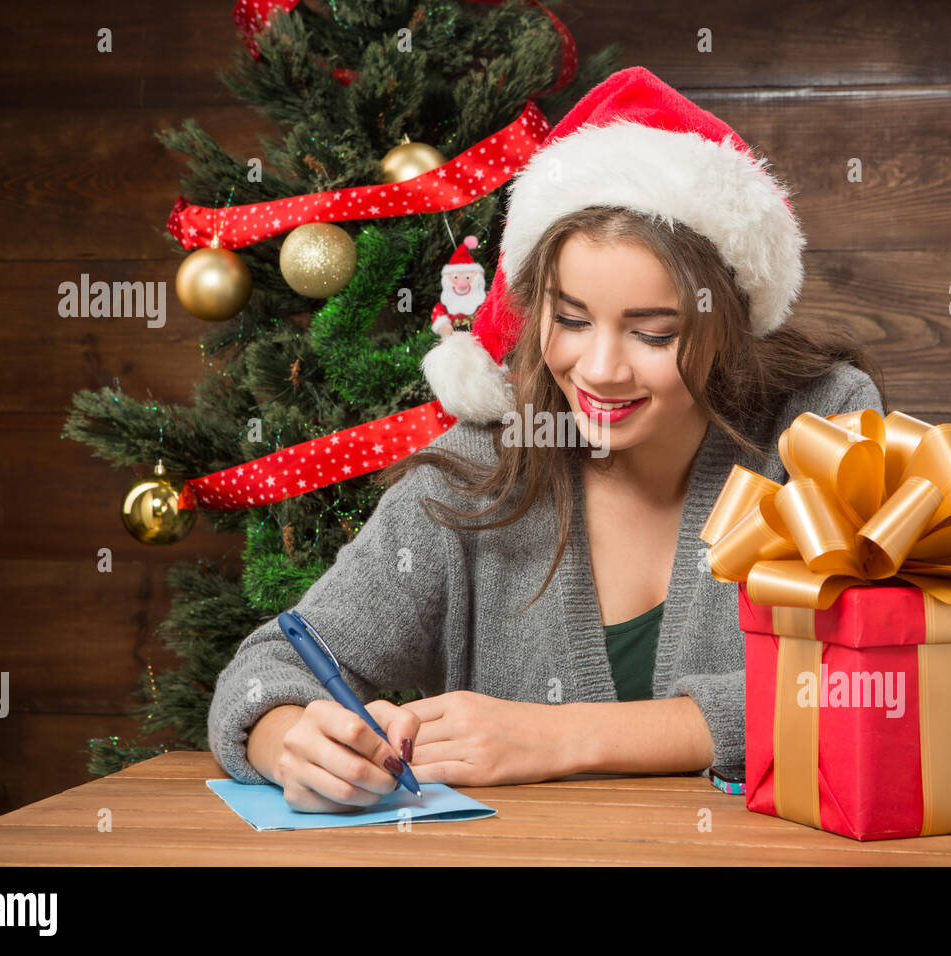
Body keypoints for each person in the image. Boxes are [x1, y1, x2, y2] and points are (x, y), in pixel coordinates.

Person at [207, 66, 886, 812]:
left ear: (723, 325)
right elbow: (268, 669)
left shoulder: (820, 429)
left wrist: (562, 737)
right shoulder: (479, 469)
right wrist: (290, 742)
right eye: (570, 320)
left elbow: (879, 682)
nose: (599, 370)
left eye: (653, 333)